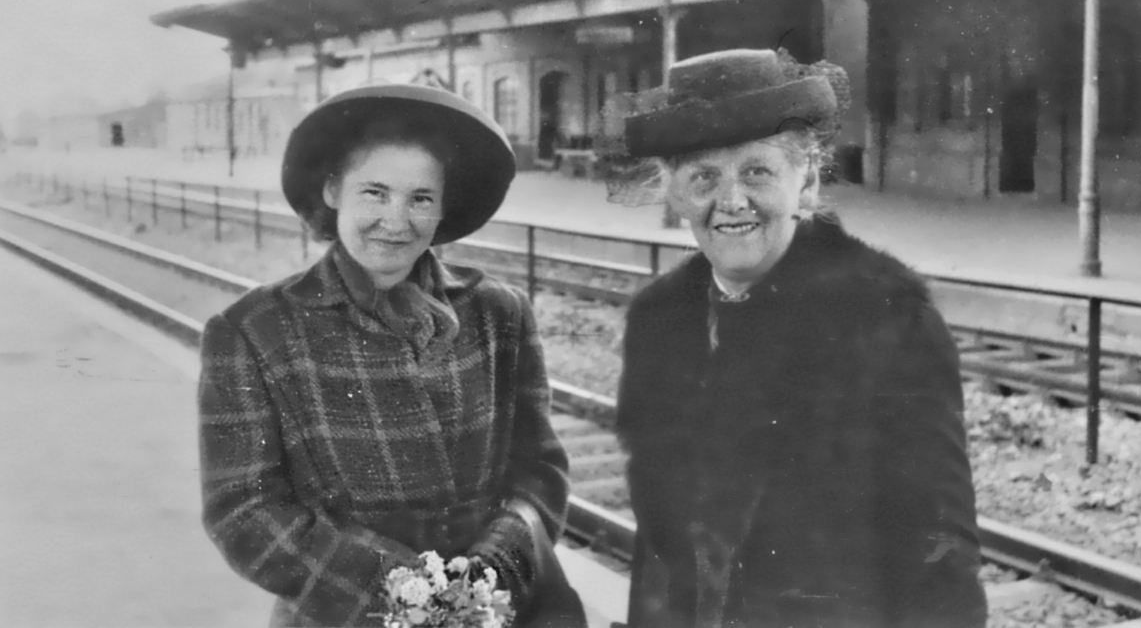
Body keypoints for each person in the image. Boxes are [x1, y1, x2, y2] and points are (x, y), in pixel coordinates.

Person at [610, 49, 988, 628]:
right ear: (675, 192)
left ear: (806, 181)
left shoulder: (886, 317)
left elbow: (940, 548)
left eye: (757, 172)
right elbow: (659, 552)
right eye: (704, 177)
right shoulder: (658, 319)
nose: (731, 201)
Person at [198, 84, 586, 628]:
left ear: (443, 206)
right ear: (333, 190)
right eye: (375, 193)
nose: (397, 220)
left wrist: (490, 575)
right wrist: (404, 595)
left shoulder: (500, 312)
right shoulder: (252, 331)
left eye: (420, 198)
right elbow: (243, 510)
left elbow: (540, 470)